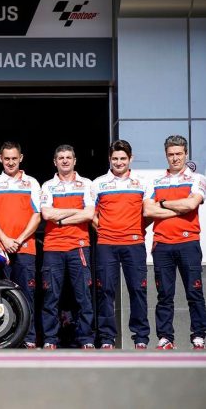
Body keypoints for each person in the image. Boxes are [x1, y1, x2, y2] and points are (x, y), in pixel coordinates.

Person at [143, 135, 206, 350]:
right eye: (171, 154)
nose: (175, 158)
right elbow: (148, 210)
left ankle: (199, 336)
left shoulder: (197, 178)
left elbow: (191, 205)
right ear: (166, 155)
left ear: (186, 154)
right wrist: (177, 208)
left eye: (179, 154)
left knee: (194, 292)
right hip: (162, 244)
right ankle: (165, 338)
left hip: (189, 243)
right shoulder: (155, 181)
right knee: (164, 295)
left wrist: (162, 204)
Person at [0, 141, 41, 349]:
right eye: (7, 159)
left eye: (14, 158)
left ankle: (29, 338)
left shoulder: (32, 183)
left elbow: (37, 215)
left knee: (26, 294)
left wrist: (20, 239)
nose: (11, 162)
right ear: (0, 159)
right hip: (0, 249)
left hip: (26, 248)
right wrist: (5, 239)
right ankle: (2, 337)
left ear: (21, 158)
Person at [91, 140, 150, 350]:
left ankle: (141, 337)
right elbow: (91, 214)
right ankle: (107, 339)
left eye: (123, 158)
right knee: (106, 291)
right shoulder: (98, 183)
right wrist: (104, 229)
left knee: (138, 290)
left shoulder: (141, 182)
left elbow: (149, 212)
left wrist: (136, 229)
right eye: (115, 158)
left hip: (134, 244)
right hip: (106, 245)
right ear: (109, 159)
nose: (119, 162)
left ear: (130, 159)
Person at [40, 144, 95, 349]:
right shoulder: (48, 186)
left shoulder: (86, 184)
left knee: (83, 296)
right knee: (51, 296)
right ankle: (50, 339)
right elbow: (47, 214)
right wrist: (76, 211)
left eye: (68, 157)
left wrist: (61, 218)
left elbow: (89, 214)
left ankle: (86, 339)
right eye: (61, 158)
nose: (65, 160)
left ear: (75, 161)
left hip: (79, 246)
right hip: (53, 247)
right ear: (55, 162)